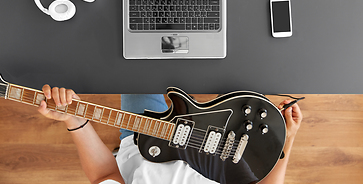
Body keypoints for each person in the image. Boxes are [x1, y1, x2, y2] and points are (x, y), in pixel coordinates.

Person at [37, 85, 303, 184]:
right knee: (235, 78)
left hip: (145, 138)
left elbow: (103, 176)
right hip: (224, 152)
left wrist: (75, 118)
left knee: (138, 59)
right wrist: (286, 141)